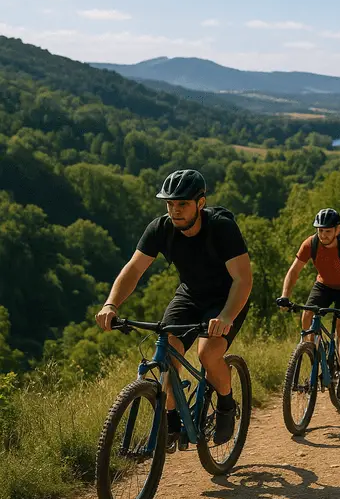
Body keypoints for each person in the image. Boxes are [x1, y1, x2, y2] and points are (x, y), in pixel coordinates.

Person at [95, 169, 253, 450]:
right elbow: (134, 269)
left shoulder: (221, 227)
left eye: (182, 204)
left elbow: (243, 279)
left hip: (227, 298)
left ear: (200, 203)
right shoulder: (161, 228)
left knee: (208, 353)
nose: (175, 211)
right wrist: (111, 304)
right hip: (190, 294)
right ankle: (171, 419)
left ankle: (227, 404)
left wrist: (226, 316)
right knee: (167, 350)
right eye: (170, 204)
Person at [280, 208, 340, 399]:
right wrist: (285, 296)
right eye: (320, 230)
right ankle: (312, 357)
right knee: (307, 316)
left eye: (327, 231)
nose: (323, 235)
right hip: (324, 284)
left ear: (337, 230)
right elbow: (293, 271)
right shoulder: (310, 244)